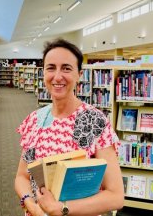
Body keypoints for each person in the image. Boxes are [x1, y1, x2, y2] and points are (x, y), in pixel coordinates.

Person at [15, 38, 124, 216]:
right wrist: (33, 207)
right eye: (51, 68)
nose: (57, 76)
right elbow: (22, 177)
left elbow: (116, 196)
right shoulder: (35, 120)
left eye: (66, 68)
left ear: (79, 75)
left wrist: (61, 209)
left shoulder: (95, 121)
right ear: (43, 73)